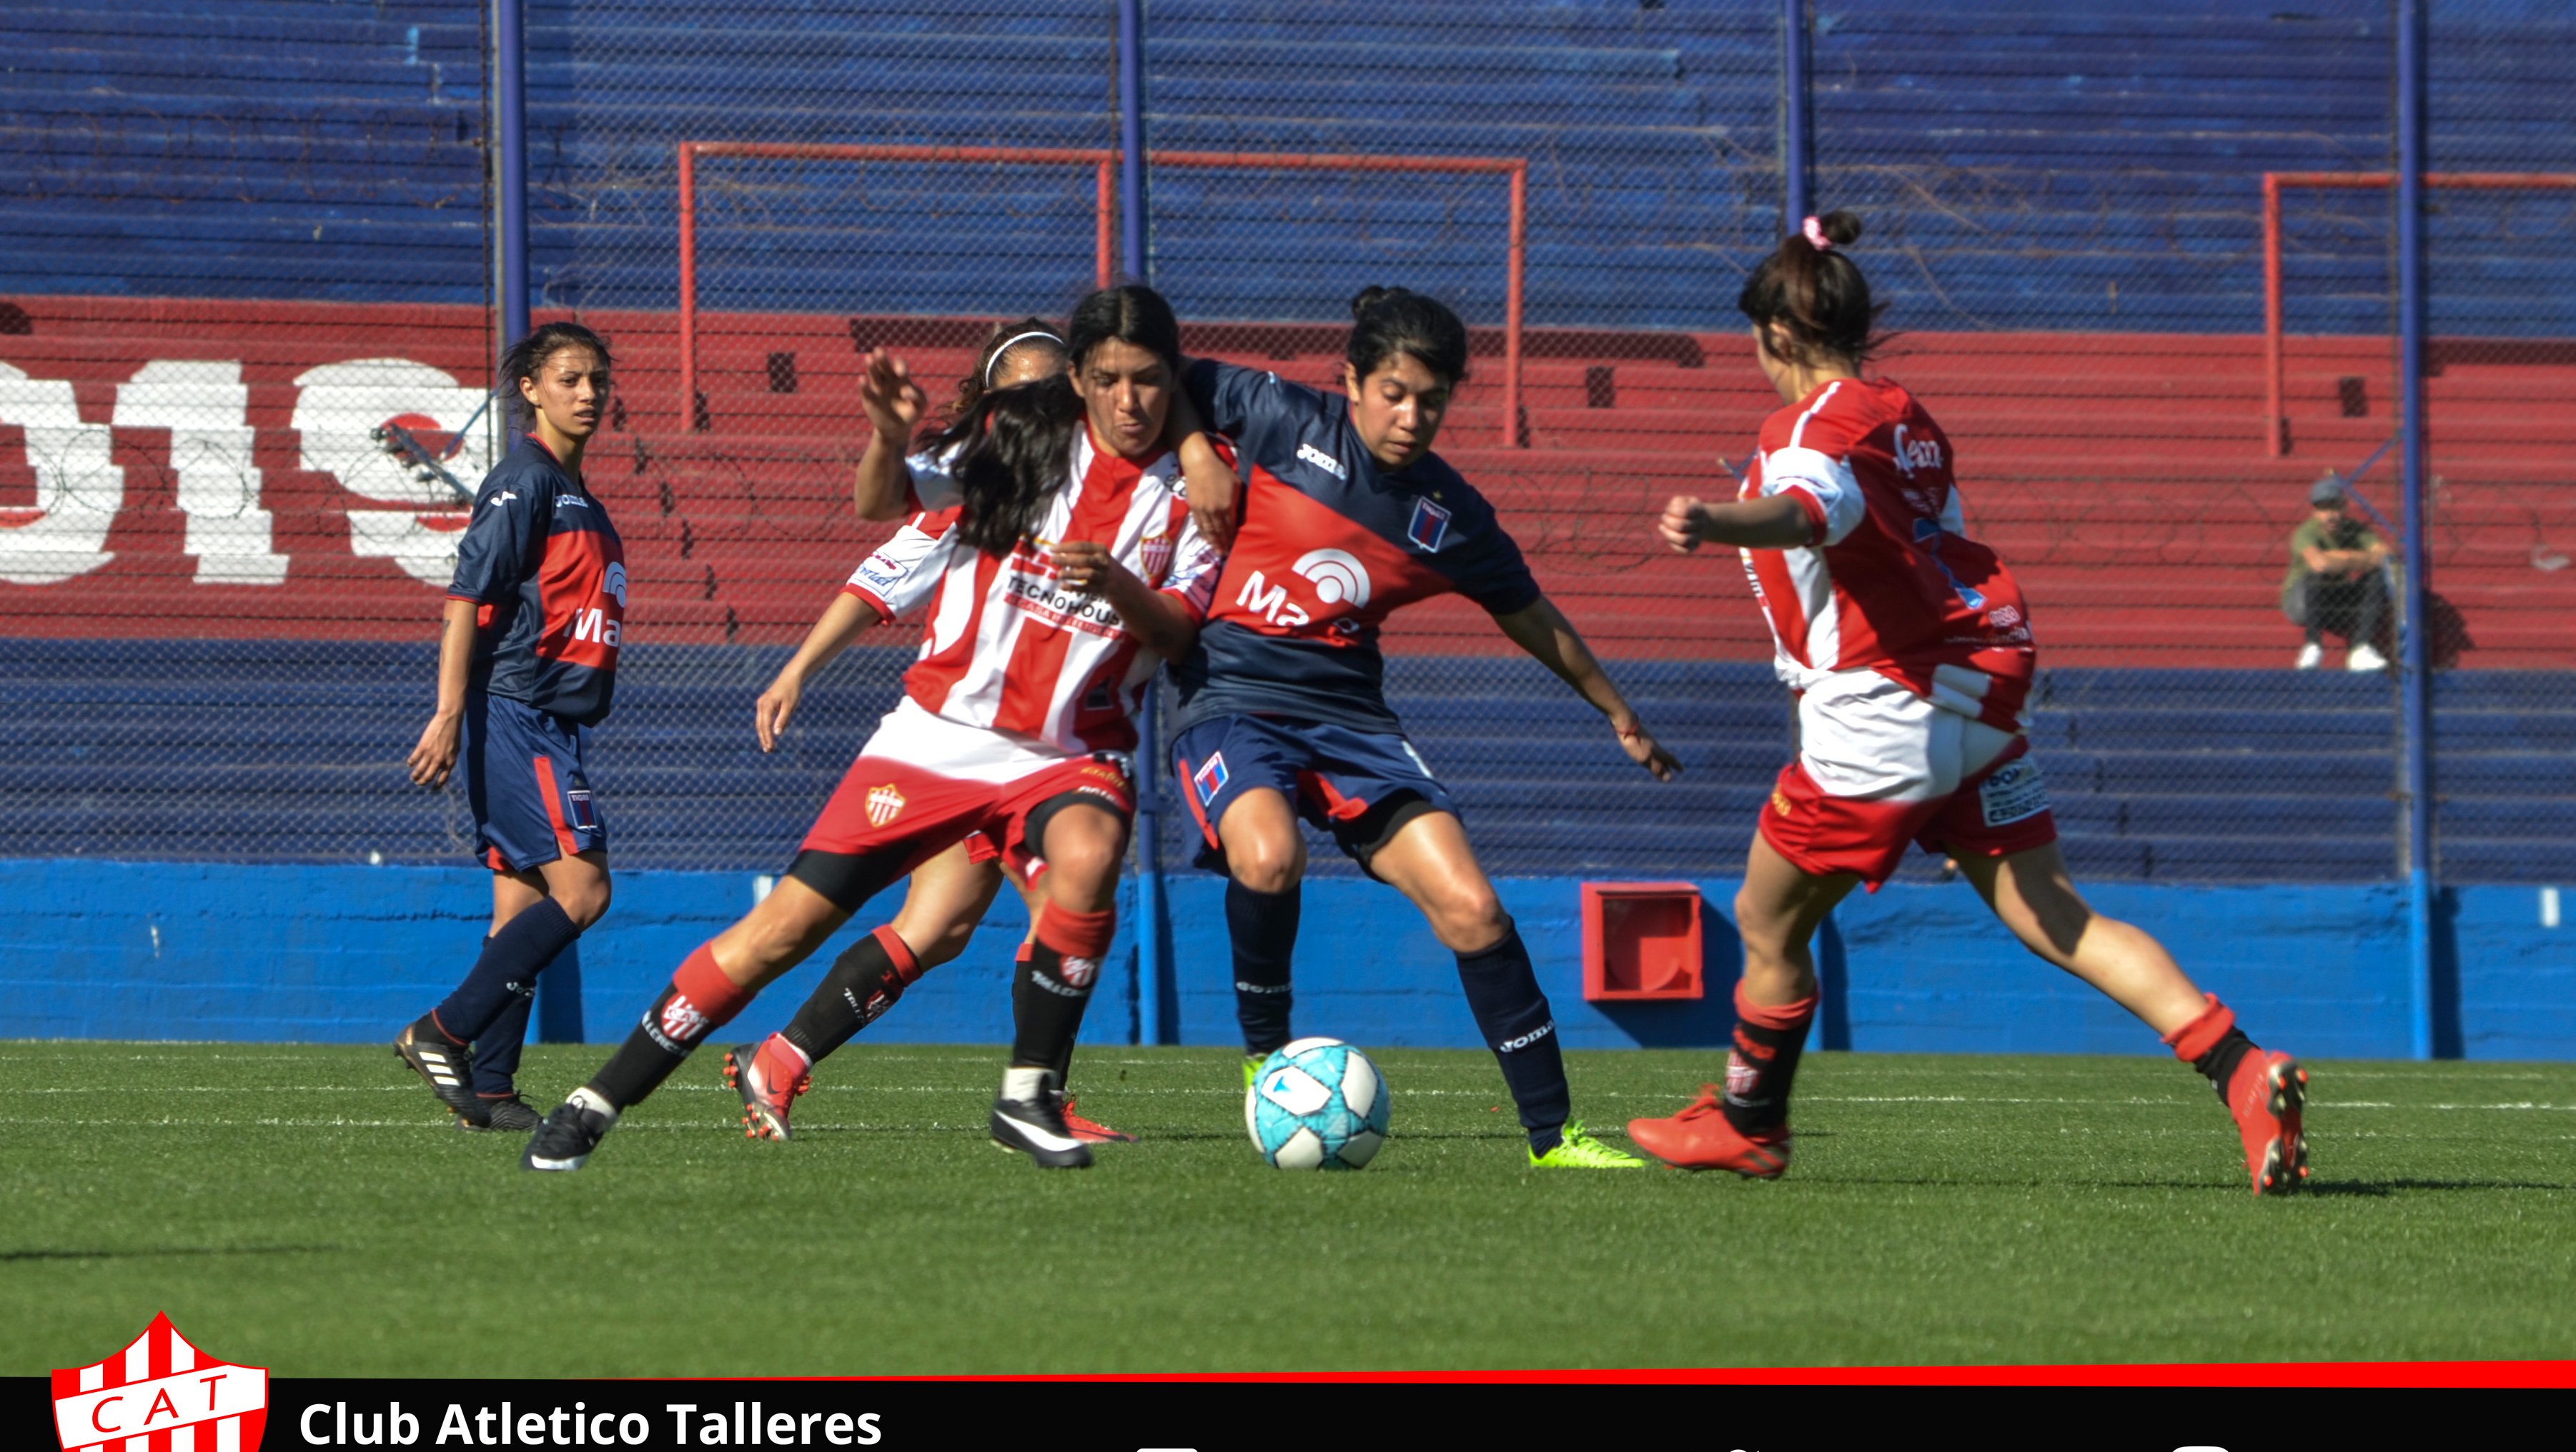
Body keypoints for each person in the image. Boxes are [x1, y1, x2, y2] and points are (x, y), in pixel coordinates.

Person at [1625, 212, 2309, 1196]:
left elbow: (1813, 508)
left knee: (1766, 920)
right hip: (1976, 699)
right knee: (2056, 912)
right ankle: (2241, 1067)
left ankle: (1749, 1120)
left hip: (1879, 712)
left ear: (1776, 335)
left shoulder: (1807, 428)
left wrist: (1716, 516)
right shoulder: (1905, 415)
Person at [523, 284, 1221, 1172]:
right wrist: (890, 438)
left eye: (1150, 382)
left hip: (1069, 751)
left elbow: (1178, 628)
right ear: (1076, 381)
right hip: (937, 736)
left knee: (1078, 869)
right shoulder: (1014, 444)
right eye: (1107, 380)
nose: (1129, 401)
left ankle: (1029, 1095)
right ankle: (598, 1100)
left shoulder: (1201, 482)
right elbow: (880, 510)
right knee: (784, 931)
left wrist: (1124, 576)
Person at [1171, 285, 1680, 1170]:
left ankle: (1554, 1139)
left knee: (1475, 909)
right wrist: (1194, 450)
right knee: (1267, 856)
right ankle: (1265, 1056)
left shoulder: (1449, 513)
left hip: (1352, 722)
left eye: (1431, 400)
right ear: (1352, 380)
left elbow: (1529, 614)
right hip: (1234, 699)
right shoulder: (1277, 414)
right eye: (1394, 393)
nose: (1411, 417)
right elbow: (1156, 378)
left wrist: (1615, 708)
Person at [720, 319, 1132, 1145]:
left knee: (938, 928)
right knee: (1053, 901)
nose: (1039, 402)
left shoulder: (1107, 497)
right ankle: (1037, 1098)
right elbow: (877, 584)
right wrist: (796, 670)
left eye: (1053, 387)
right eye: (1020, 388)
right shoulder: (969, 499)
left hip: (1041, 754)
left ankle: (781, 1059)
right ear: (990, 401)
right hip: (968, 748)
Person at [394, 321, 624, 1133]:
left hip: (550, 722)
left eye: (597, 379)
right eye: (568, 379)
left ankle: (488, 1087)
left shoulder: (579, 495)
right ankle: (441, 1031)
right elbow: (465, 598)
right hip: (518, 713)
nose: (587, 393)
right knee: (584, 889)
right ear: (530, 388)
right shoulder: (523, 481)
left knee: (519, 911)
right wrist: (450, 712)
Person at [2282, 477, 2391, 671]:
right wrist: (2360, 559)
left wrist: (2341, 558)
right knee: (2316, 575)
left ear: (2344, 508)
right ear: (2315, 511)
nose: (2330, 515)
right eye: (2323, 509)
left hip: (2335, 599)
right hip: (2301, 602)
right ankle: (2312, 646)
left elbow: (2384, 555)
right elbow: (2319, 564)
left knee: (2377, 576)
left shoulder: (2354, 530)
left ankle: (2361, 648)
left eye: (2334, 508)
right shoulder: (2306, 532)